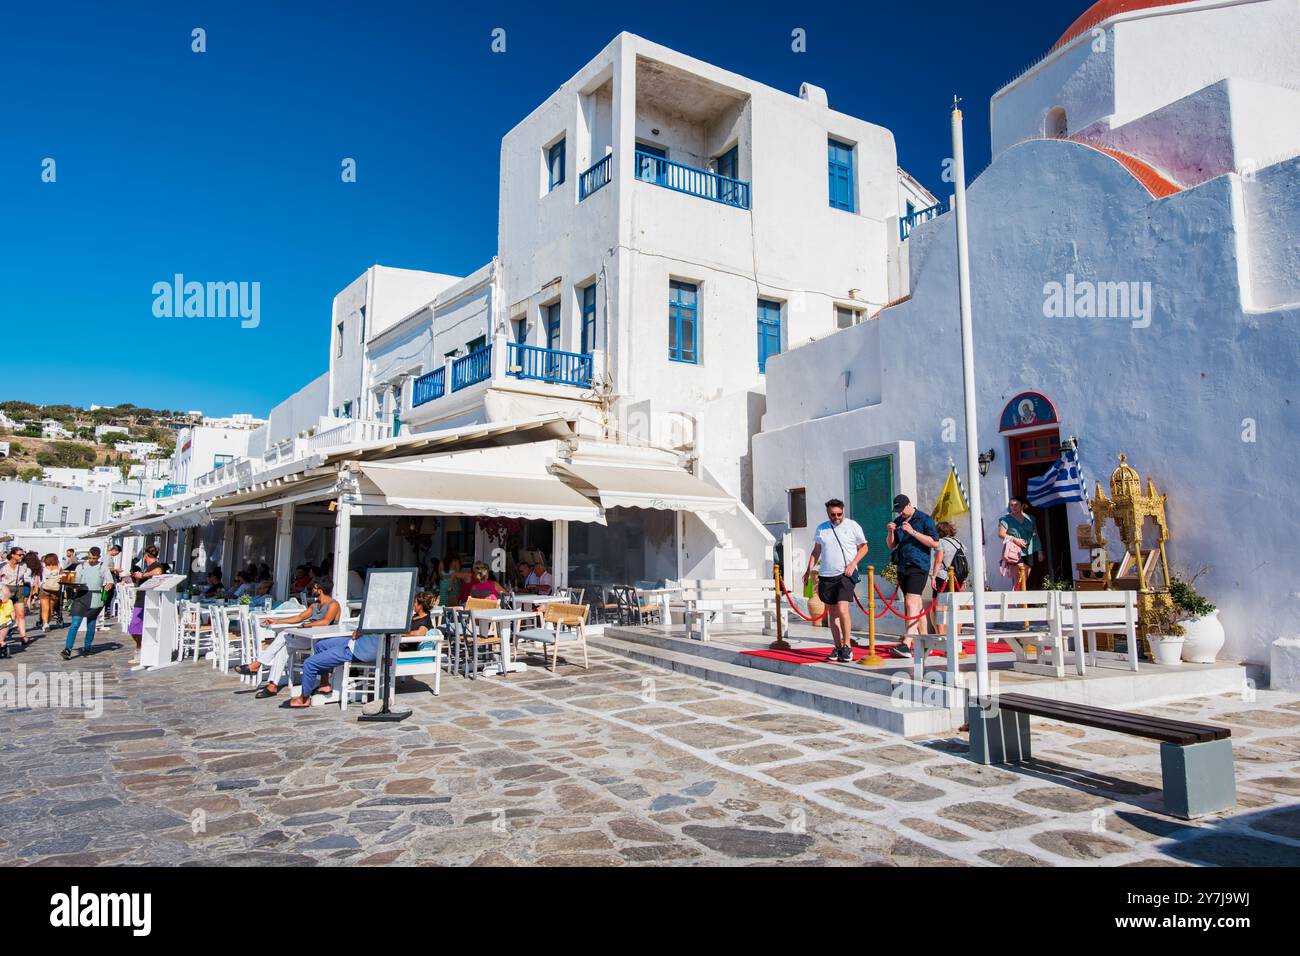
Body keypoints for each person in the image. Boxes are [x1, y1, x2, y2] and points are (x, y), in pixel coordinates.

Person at [285, 592, 436, 708]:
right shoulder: (401, 618)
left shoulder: (399, 621)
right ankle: (325, 683)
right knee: (320, 645)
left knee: (310, 664)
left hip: (359, 650)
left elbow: (417, 633)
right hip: (357, 644)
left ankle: (304, 698)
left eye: (414, 602)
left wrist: (364, 630)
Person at [234, 580, 341, 697]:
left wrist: (305, 625)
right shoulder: (314, 605)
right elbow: (299, 617)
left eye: (313, 588)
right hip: (308, 636)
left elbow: (325, 622)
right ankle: (272, 685)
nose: (312, 590)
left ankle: (257, 664)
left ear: (319, 589)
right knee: (283, 649)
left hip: (322, 640)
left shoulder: (333, 604)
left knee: (283, 635)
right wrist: (277, 621)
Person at [803, 499, 869, 663]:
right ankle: (838, 646)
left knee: (842, 608)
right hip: (826, 574)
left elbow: (864, 547)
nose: (836, 517)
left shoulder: (852, 526)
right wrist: (808, 570)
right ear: (828, 513)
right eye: (833, 514)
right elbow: (816, 551)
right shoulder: (822, 528)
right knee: (832, 612)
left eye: (839, 514)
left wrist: (853, 564)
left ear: (843, 512)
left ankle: (847, 646)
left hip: (845, 574)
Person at [885, 494, 940, 658]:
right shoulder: (899, 521)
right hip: (903, 566)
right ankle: (924, 643)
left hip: (919, 565)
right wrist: (891, 532)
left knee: (911, 601)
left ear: (909, 505)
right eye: (897, 510)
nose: (900, 513)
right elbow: (891, 545)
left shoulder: (924, 519)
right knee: (916, 604)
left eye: (901, 509)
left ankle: (907, 643)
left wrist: (913, 532)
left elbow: (935, 543)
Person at [62, 546, 113, 660]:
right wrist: (72, 584)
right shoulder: (81, 566)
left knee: (91, 624)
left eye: (94, 558)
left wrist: (109, 586)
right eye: (90, 557)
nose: (91, 560)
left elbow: (109, 582)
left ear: (99, 557)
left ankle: (87, 647)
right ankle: (68, 649)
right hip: (81, 596)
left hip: (95, 596)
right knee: (75, 623)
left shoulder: (103, 567)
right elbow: (76, 579)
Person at [129, 545, 169, 662]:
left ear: (146, 555)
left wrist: (142, 575)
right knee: (138, 628)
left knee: (134, 627)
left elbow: (158, 572)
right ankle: (140, 650)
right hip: (142, 599)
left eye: (144, 556)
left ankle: (140, 650)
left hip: (146, 600)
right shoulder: (148, 567)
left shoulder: (156, 565)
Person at [928, 521, 966, 635]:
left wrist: (933, 576)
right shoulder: (958, 542)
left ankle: (941, 634)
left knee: (939, 605)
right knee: (956, 605)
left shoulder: (941, 542)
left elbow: (939, 560)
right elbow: (962, 562)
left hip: (943, 577)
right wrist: (963, 578)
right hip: (957, 577)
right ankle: (957, 634)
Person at [998, 496, 1043, 587]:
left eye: (1016, 505)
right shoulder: (1006, 519)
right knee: (1019, 578)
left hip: (1028, 551)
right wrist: (1015, 539)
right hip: (1014, 552)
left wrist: (1039, 551)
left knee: (1024, 580)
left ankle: (1020, 600)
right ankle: (1017, 600)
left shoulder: (1030, 519)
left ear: (1022, 506)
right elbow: (1001, 534)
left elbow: (1035, 535)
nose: (1013, 507)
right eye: (1011, 505)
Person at [0, 549, 33, 647]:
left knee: (21, 614)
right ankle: (2, 638)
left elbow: (25, 578)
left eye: (23, 554)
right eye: (19, 555)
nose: (21, 556)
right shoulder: (3, 565)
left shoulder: (23, 565)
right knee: (6, 616)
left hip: (19, 589)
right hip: (6, 590)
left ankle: (23, 636)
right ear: (13, 555)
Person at [39, 553, 63, 630]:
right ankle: (47, 623)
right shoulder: (59, 567)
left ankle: (45, 624)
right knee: (51, 608)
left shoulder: (43, 566)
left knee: (44, 608)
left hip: (44, 588)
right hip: (55, 589)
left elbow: (41, 577)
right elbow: (63, 577)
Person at [0, 586, 15, 657]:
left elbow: (7, 594)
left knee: (3, 628)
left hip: (2, 614)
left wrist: (2, 600)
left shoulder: (1, 585)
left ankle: (2, 643)